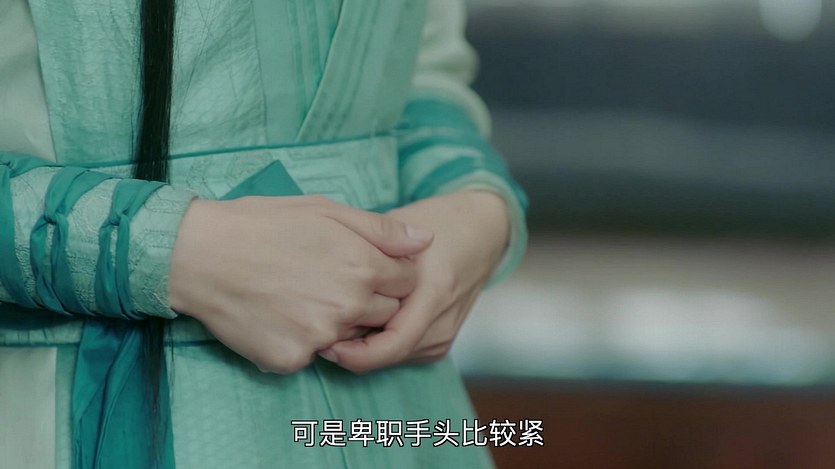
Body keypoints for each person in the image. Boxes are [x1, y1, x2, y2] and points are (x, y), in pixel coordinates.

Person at [0, 0, 528, 467]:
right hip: (54, 406)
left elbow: (421, 74)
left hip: (401, 410)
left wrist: (474, 206)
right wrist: (169, 248)